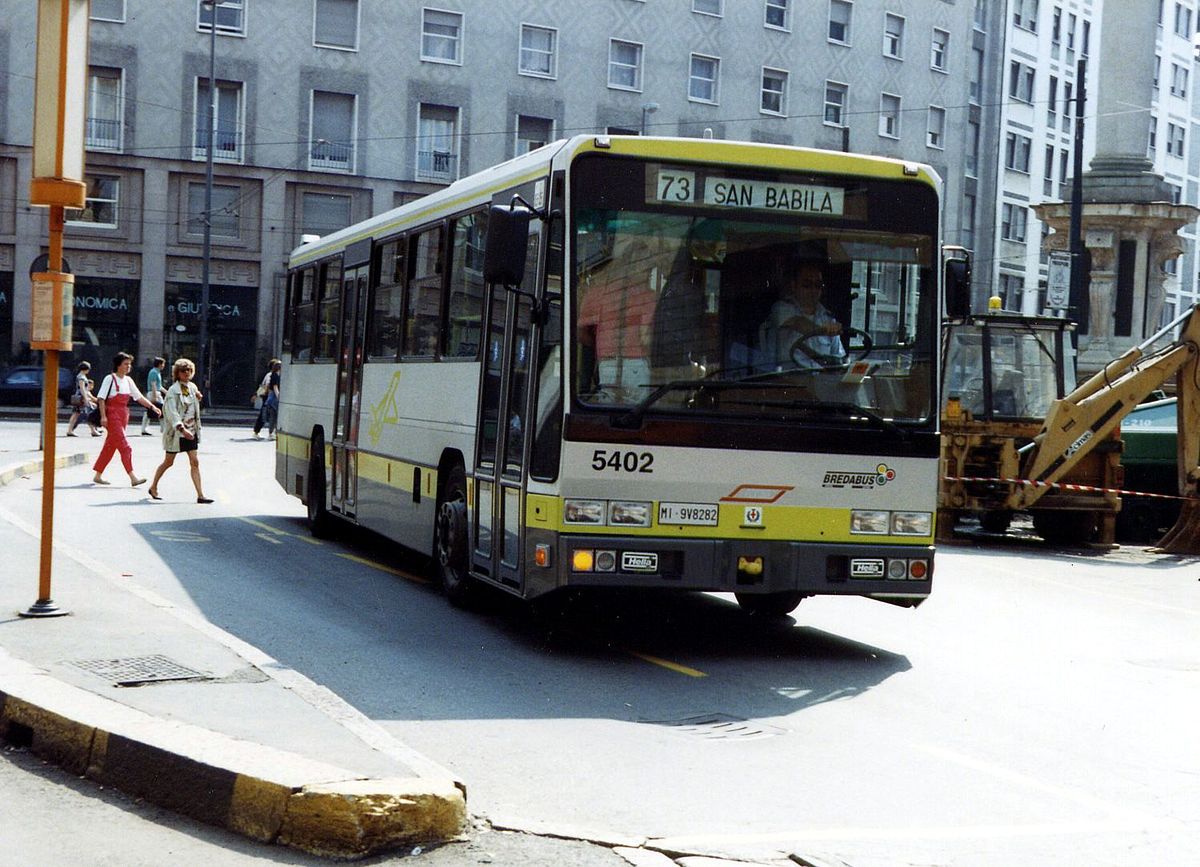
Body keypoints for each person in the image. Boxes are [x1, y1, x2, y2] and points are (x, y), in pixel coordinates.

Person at [758, 260, 845, 369]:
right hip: (786, 381)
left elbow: (838, 358)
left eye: (818, 285)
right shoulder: (781, 308)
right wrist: (824, 330)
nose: (813, 290)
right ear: (794, 286)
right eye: (807, 285)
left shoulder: (828, 318)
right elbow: (799, 323)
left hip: (820, 381)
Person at [148, 358, 212, 504]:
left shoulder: (192, 387)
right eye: (183, 371)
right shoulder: (172, 391)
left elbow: (191, 406)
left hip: (191, 431)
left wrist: (198, 398)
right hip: (178, 433)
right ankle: (153, 486)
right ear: (177, 373)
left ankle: (200, 495)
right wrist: (182, 429)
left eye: (189, 370)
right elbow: (172, 413)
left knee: (194, 462)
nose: (187, 373)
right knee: (168, 462)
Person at [93, 351, 162, 486]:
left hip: (124, 414)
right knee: (125, 447)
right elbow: (101, 398)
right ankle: (133, 477)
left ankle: (98, 475)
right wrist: (103, 416)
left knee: (111, 446)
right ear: (118, 365)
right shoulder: (110, 378)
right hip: (112, 414)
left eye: (129, 364)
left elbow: (138, 397)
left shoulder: (128, 380)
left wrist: (152, 407)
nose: (128, 366)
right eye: (125, 364)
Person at [66, 361, 101, 437]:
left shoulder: (80, 376)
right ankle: (93, 430)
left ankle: (70, 430)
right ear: (86, 369)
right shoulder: (82, 377)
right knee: (89, 413)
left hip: (79, 397)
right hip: (81, 398)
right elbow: (82, 388)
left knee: (76, 414)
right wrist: (86, 398)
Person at [252, 358, 280, 439]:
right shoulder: (270, 375)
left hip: (268, 397)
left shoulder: (272, 374)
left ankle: (258, 431)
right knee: (265, 415)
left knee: (266, 415)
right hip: (268, 397)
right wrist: (257, 394)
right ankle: (258, 432)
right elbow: (265, 386)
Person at [141, 356, 166, 436]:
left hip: (156, 392)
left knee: (155, 410)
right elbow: (153, 384)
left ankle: (162, 428)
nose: (163, 365)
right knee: (152, 410)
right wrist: (154, 396)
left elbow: (159, 386)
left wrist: (167, 392)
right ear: (159, 364)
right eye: (162, 364)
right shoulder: (153, 372)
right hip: (153, 393)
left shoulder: (157, 372)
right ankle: (145, 429)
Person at [263, 359, 282, 440]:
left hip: (271, 398)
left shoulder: (275, 374)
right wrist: (278, 396)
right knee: (274, 416)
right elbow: (275, 387)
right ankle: (271, 433)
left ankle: (272, 432)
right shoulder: (275, 375)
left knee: (273, 416)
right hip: (274, 398)